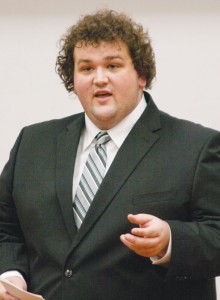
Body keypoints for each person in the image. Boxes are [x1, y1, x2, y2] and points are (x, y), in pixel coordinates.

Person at [0, 9, 220, 300]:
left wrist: (170, 240)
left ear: (141, 75)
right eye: (87, 68)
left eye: (113, 66)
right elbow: (6, 227)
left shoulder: (197, 146)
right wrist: (11, 277)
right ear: (73, 79)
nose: (99, 78)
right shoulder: (33, 142)